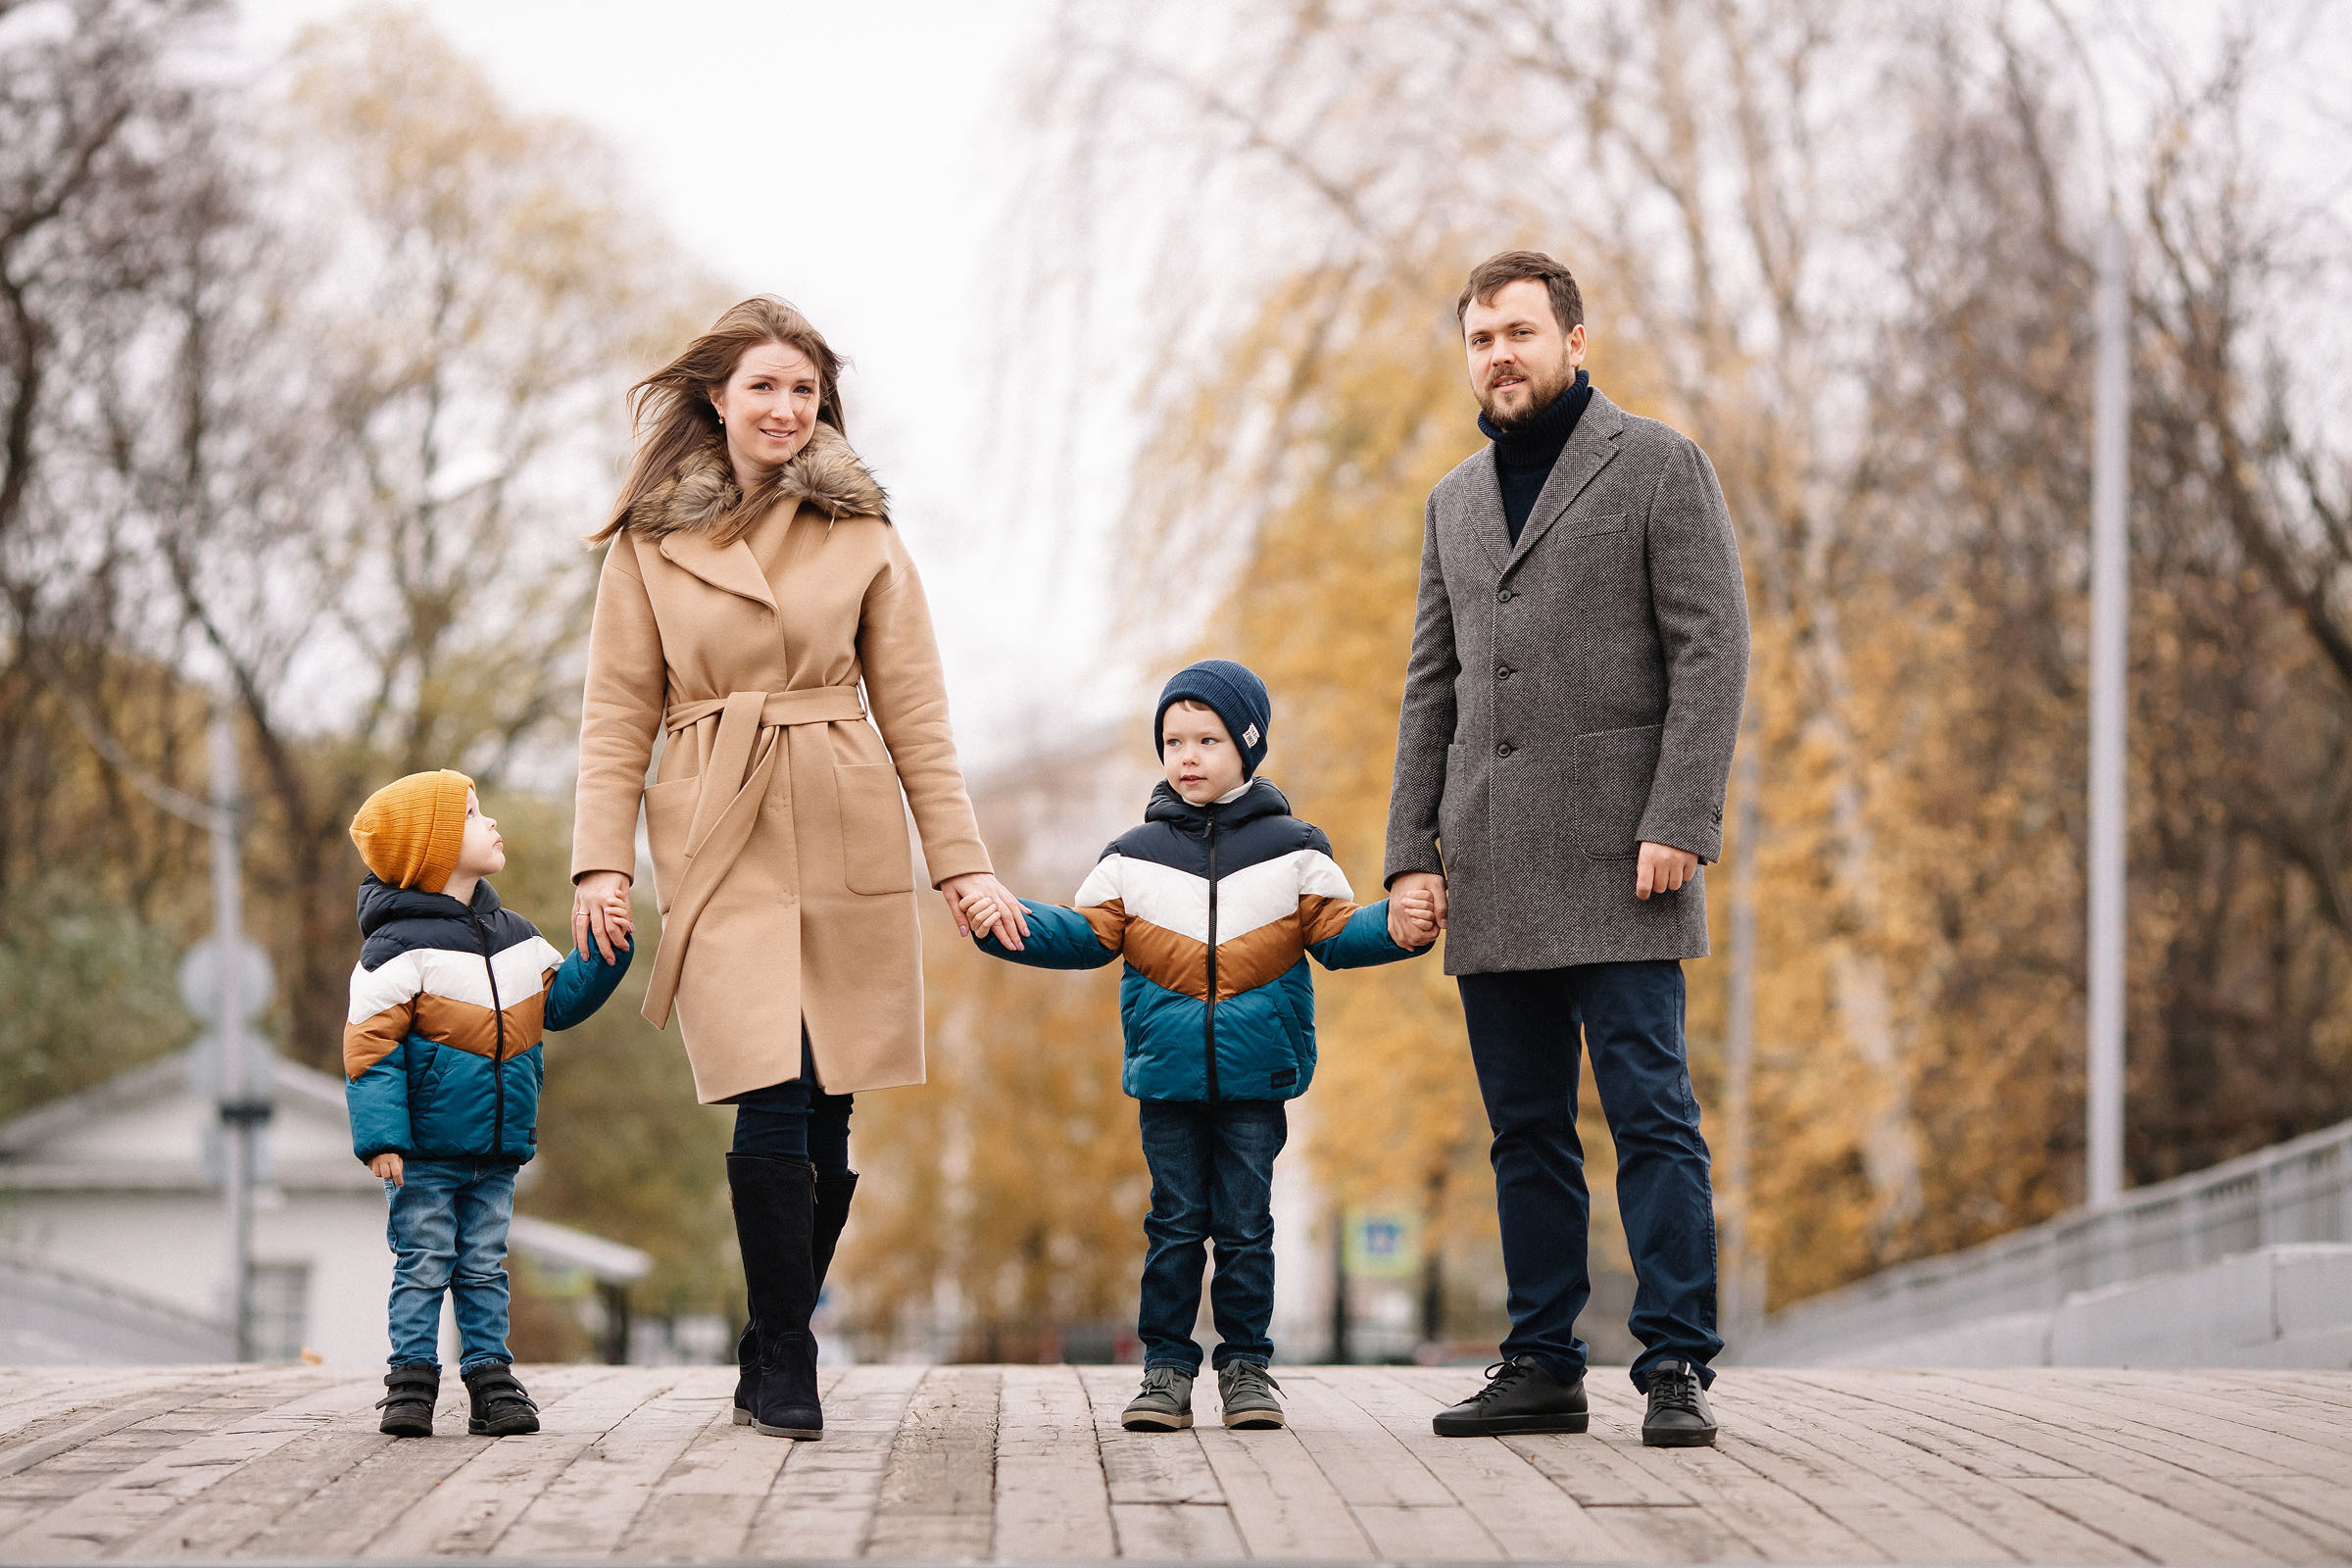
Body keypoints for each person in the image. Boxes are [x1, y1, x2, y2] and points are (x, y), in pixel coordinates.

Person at [570, 296, 1026, 1441]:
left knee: (832, 1097)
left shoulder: (866, 534)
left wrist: (959, 866)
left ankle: (770, 1329)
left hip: (843, 804)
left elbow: (918, 713)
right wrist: (599, 866)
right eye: (763, 386)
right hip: (717, 821)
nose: (783, 408)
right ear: (717, 398)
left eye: (804, 391)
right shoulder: (648, 541)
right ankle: (791, 1358)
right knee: (766, 1079)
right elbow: (616, 712)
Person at [1385, 251, 1749, 1446]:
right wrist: (1411, 854)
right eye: (1481, 337)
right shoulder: (1452, 500)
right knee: (1524, 1128)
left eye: (1520, 332)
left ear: (1575, 341)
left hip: (1626, 855)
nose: (1499, 354)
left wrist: (1680, 820)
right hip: (1490, 861)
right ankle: (1541, 1360)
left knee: (1650, 1112)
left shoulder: (1657, 465)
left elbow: (1712, 651)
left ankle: (1676, 1363)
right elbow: (1429, 687)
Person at [967, 661, 1438, 1432]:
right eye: (1173, 740)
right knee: (1176, 1223)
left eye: (1207, 739)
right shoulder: (1130, 856)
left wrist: (1397, 925)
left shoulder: (1297, 849)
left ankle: (1247, 1367)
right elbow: (1084, 936)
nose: (1187, 755)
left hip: (1257, 1074)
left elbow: (1337, 934)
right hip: (1169, 1075)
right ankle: (1165, 1371)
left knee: (1247, 1225)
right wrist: (1005, 923)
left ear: (1247, 747)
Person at [343, 769, 633, 1439]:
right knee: (422, 1263)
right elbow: (369, 1049)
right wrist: (382, 1139)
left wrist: (606, 950)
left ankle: (491, 1381)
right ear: (433, 847)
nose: (491, 822)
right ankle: (410, 1385)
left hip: (497, 1150)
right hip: (423, 1153)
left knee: (482, 1266)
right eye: (473, 815)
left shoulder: (518, 937)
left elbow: (557, 1003)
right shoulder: (395, 950)